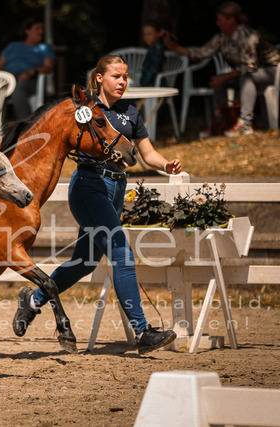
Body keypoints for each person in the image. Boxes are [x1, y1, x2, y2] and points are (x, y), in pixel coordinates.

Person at [13, 55, 182, 355]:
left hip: (117, 187)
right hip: (89, 186)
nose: (123, 82)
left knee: (85, 262)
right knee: (121, 253)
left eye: (125, 76)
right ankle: (142, 331)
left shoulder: (131, 113)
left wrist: (165, 165)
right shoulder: (86, 109)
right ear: (100, 78)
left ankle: (33, 300)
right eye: (117, 76)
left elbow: (147, 154)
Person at [163, 1, 280, 137]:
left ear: (231, 20)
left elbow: (249, 67)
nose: (217, 23)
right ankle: (220, 122)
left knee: (246, 78)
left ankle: (245, 123)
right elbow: (200, 53)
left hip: (273, 71)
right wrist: (173, 46)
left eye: (220, 20)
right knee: (220, 82)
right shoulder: (222, 38)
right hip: (248, 74)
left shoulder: (246, 35)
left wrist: (224, 77)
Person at [0, 16, 55, 120]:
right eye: (37, 28)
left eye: (42, 29)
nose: (41, 31)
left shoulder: (45, 48)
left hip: (30, 80)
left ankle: (26, 124)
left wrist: (31, 72)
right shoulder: (13, 46)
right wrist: (0, 76)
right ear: (27, 30)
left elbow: (49, 67)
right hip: (8, 78)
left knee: (18, 89)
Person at [140, 21, 166, 87]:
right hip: (148, 83)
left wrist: (143, 85)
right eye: (144, 34)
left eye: (149, 34)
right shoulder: (152, 48)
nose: (146, 37)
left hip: (154, 85)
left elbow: (153, 69)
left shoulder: (158, 49)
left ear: (158, 34)